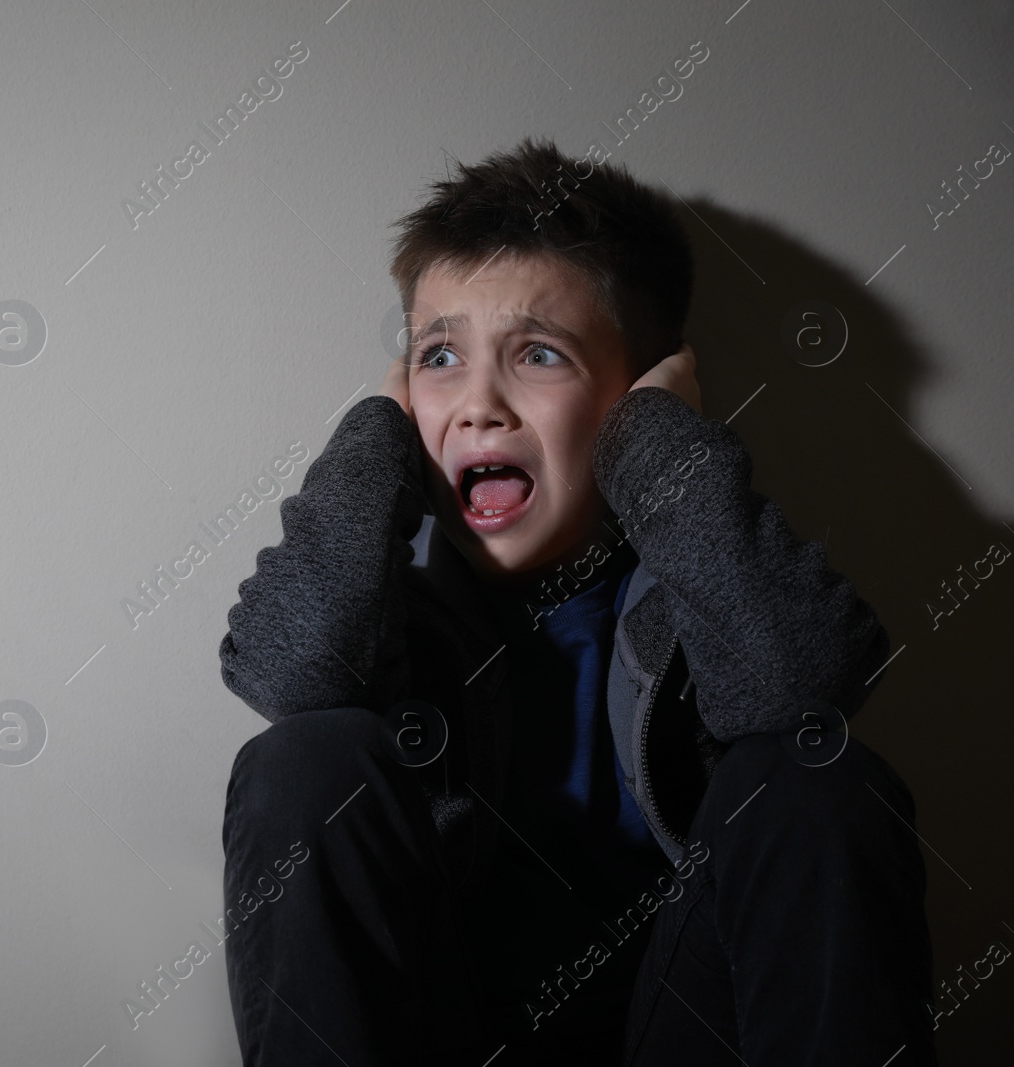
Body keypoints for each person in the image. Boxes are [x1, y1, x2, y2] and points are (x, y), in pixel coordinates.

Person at [216, 136, 936, 1066]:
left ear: (636, 393)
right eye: (439, 356)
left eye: (540, 355)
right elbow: (291, 673)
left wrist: (657, 443)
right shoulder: (383, 609)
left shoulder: (703, 590)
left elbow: (806, 687)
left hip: (680, 1033)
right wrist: (379, 435)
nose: (478, 404)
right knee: (308, 755)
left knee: (812, 772)